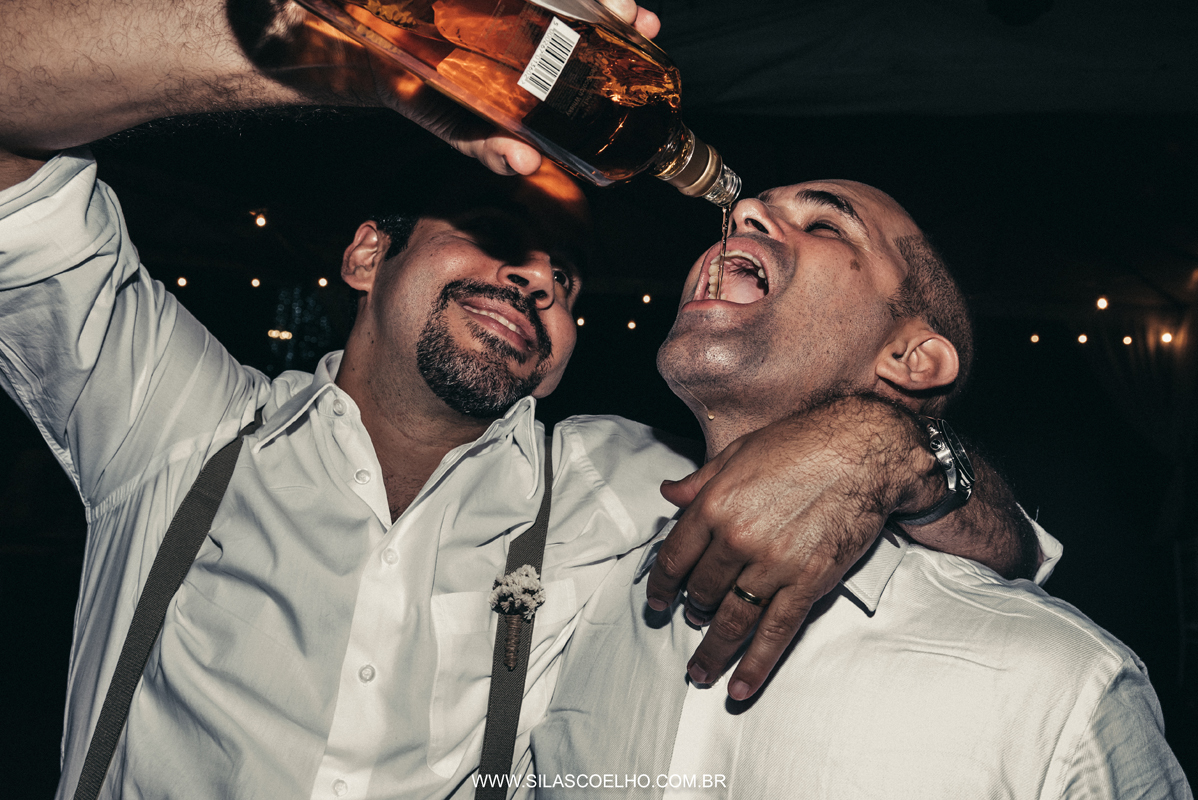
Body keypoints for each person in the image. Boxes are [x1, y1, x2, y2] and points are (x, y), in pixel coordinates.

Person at [1, 1, 1041, 797]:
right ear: (367, 253)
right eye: (495, 230)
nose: (536, 280)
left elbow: (1002, 552)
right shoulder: (174, 420)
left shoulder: (612, 484)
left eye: (566, 277)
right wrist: (349, 49)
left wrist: (883, 447)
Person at [531, 181, 1193, 798]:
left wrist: (885, 445)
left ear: (910, 359)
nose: (744, 212)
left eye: (825, 224)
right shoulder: (576, 555)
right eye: (750, 210)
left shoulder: (1056, 685)